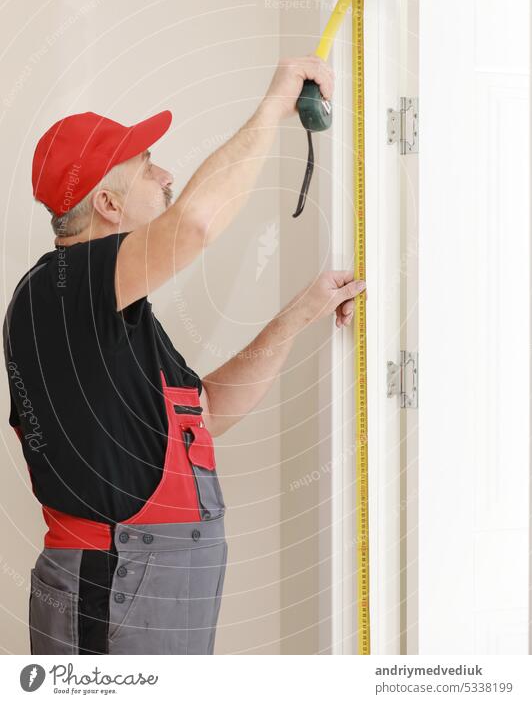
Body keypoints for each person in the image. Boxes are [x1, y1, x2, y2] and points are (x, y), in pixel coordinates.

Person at [3, 55, 366, 656]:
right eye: (146, 166)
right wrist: (274, 104)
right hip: (112, 583)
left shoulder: (115, 310)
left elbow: (205, 412)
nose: (166, 175)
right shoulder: (60, 287)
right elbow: (194, 222)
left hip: (145, 584)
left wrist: (298, 316)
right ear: (108, 206)